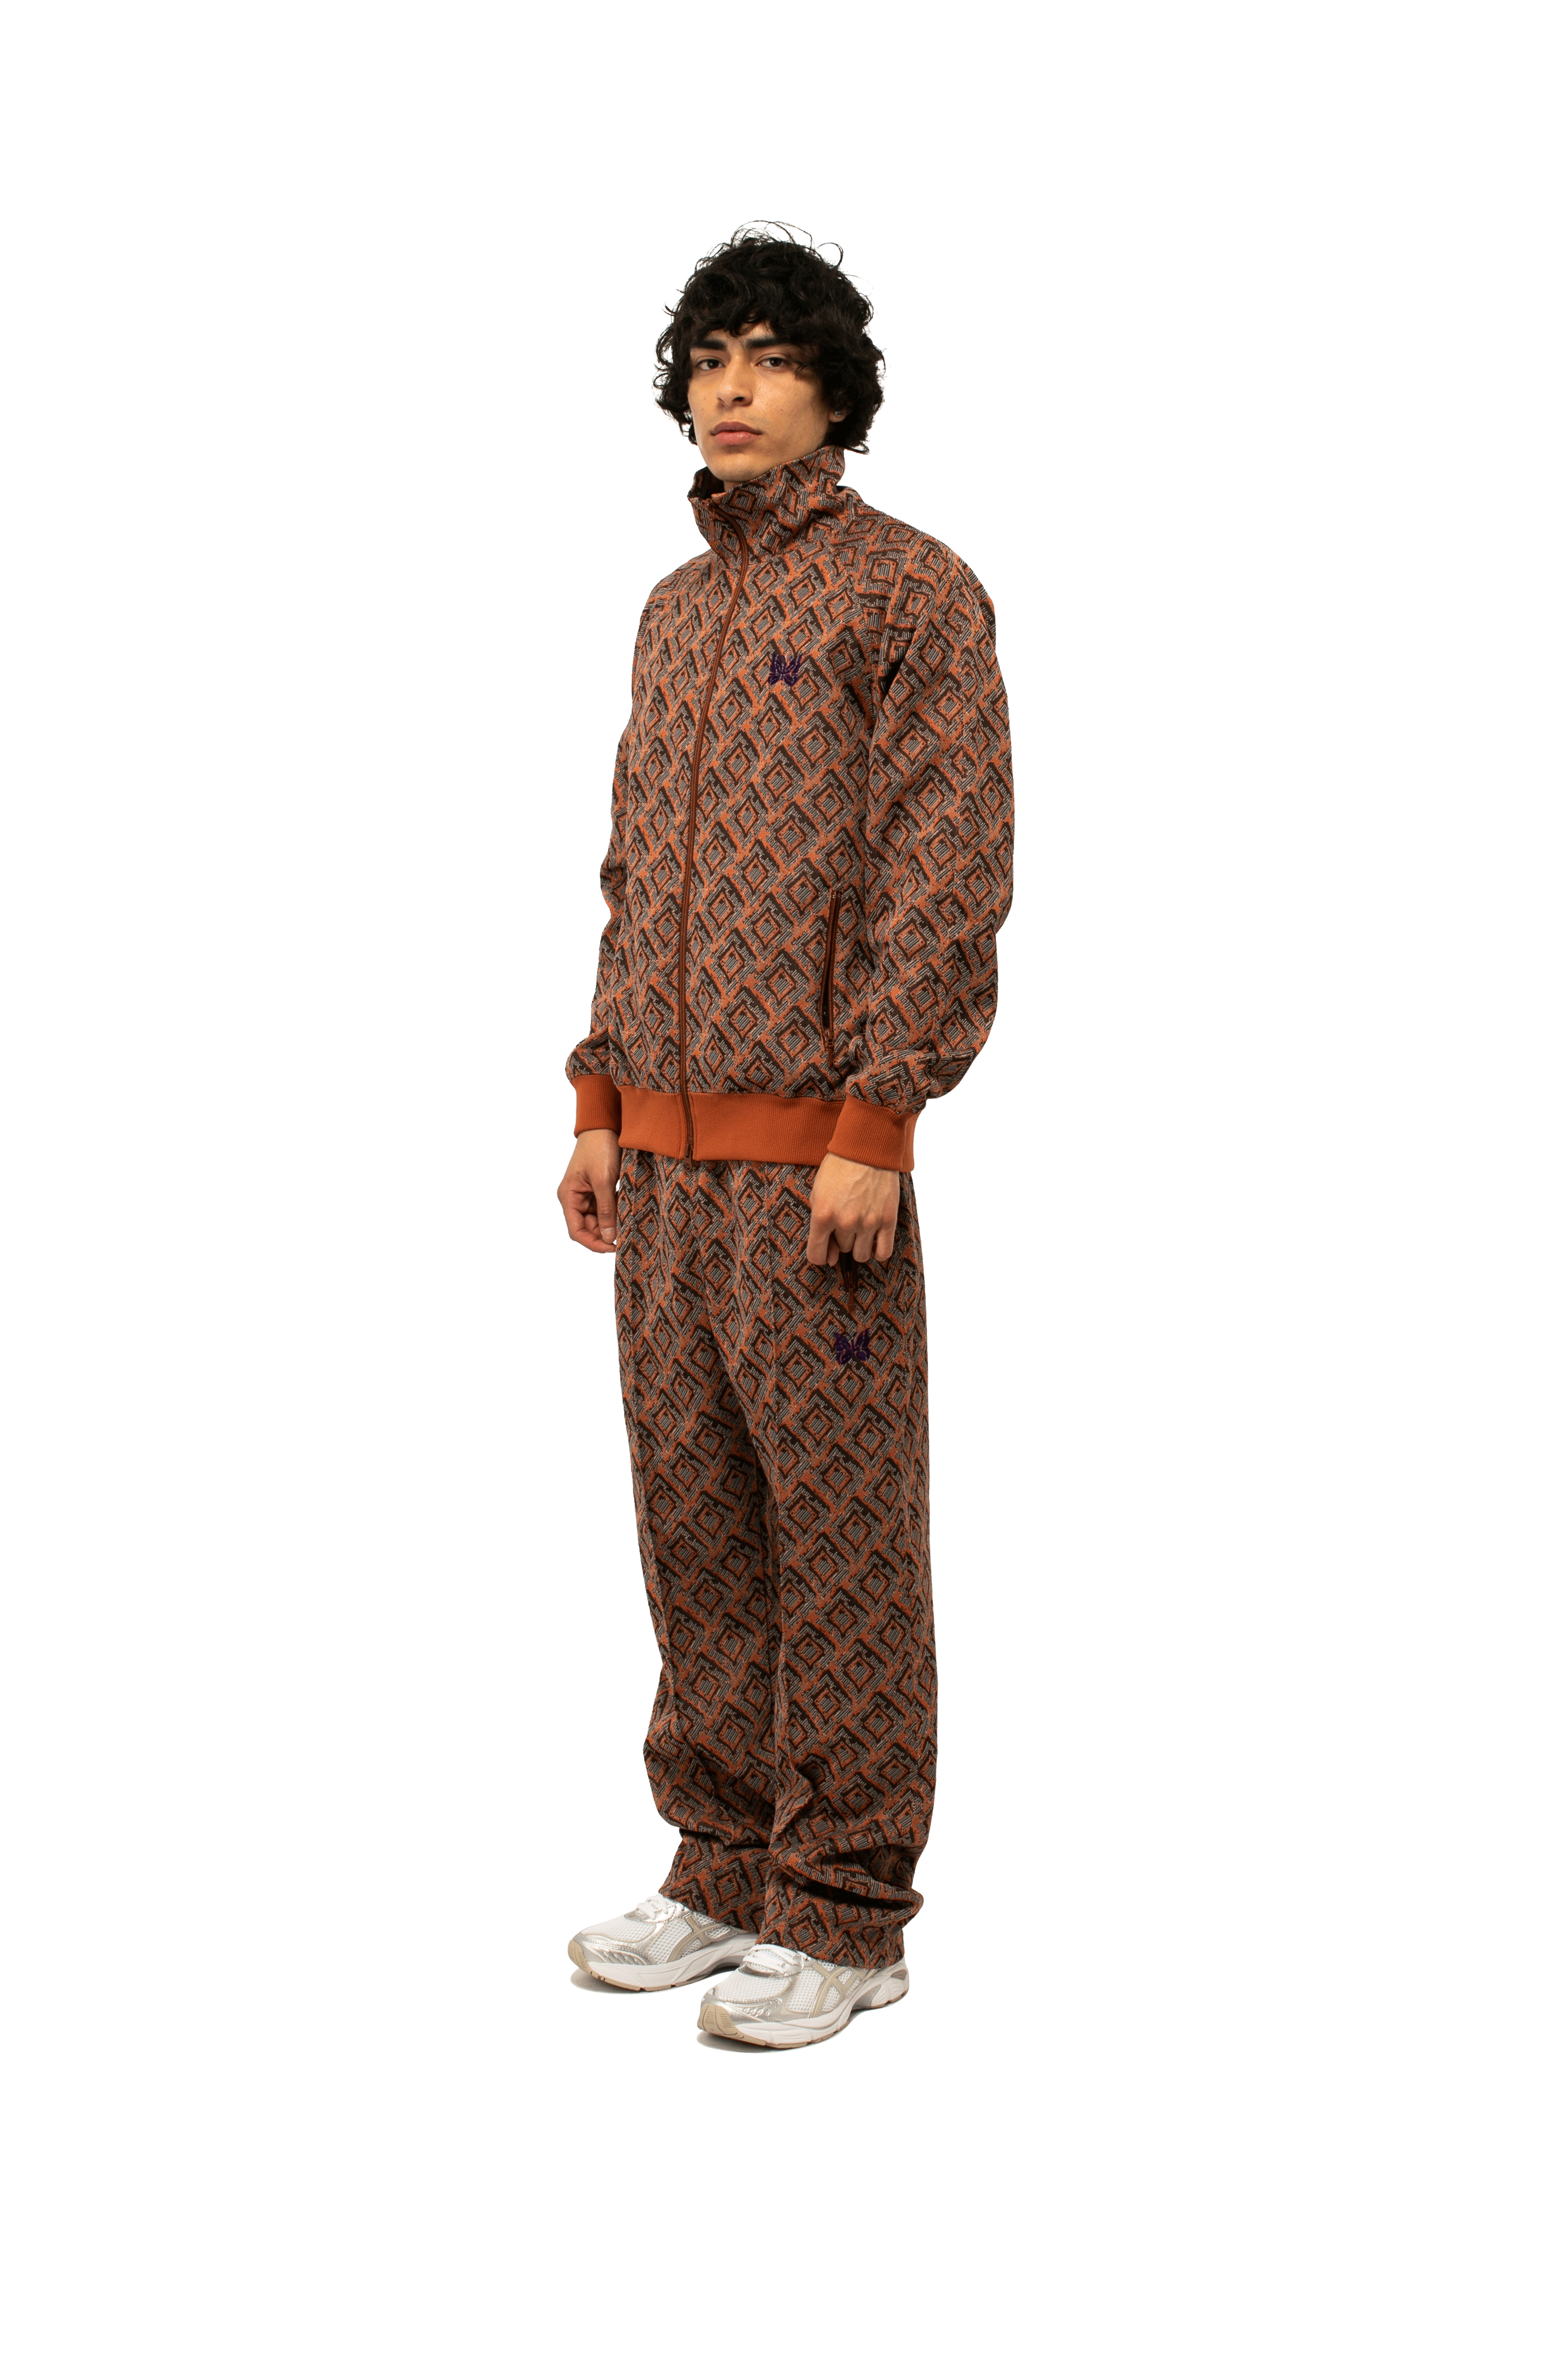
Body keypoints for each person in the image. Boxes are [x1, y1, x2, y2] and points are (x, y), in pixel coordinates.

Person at [556, 228, 1013, 2048]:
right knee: (695, 1525)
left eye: (768, 356)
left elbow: (945, 866)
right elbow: (629, 874)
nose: (729, 390)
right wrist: (599, 1098)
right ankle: (724, 1868)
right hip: (660, 1170)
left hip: (818, 1162)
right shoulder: (676, 611)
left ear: (836, 386)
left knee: (841, 1542)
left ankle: (845, 1912)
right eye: (707, 358)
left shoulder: (913, 593)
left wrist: (880, 1116)